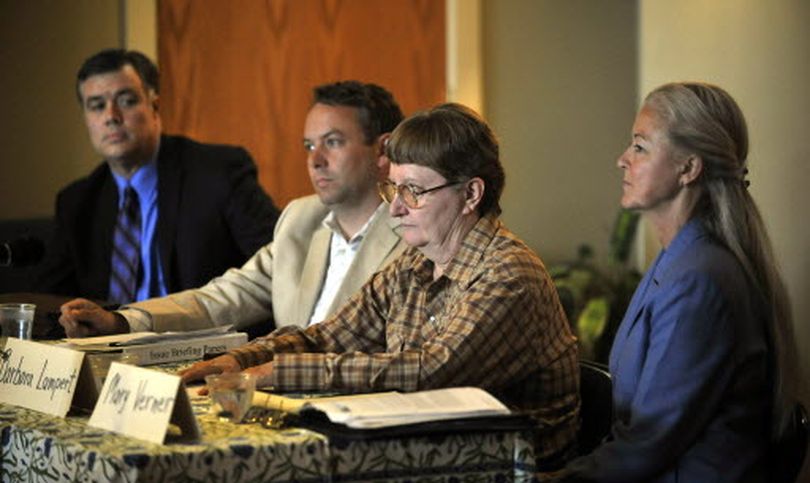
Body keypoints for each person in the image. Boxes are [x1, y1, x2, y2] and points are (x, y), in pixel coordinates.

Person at [180, 103, 580, 470]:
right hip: (428, 456)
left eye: (414, 191)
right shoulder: (416, 260)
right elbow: (331, 337)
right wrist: (242, 361)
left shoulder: (509, 274)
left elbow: (430, 371)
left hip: (510, 471)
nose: (396, 207)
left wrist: (278, 371)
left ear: (471, 194)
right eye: (393, 188)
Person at [562, 82, 800, 482]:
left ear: (688, 168)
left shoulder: (700, 279)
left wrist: (553, 479)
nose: (622, 159)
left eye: (640, 146)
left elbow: (647, 447)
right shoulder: (680, 261)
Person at [58, 80, 407, 337]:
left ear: (382, 150)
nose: (314, 160)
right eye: (308, 145)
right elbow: (221, 299)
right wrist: (122, 320)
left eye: (332, 142)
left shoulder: (414, 233)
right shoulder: (300, 219)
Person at [36, 48, 280, 304]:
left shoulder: (218, 173)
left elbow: (279, 265)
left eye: (126, 100)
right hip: (101, 341)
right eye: (97, 106)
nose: (111, 117)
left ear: (154, 105)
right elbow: (42, 301)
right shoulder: (77, 202)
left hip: (199, 339)